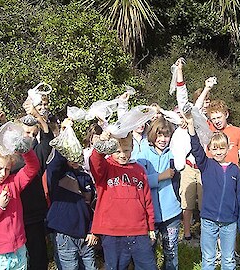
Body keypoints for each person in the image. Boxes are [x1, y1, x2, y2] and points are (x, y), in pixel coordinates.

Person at [185, 113, 240, 270]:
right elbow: (196, 149)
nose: (219, 152)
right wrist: (191, 127)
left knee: (228, 259)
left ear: (228, 149)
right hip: (208, 221)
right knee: (208, 258)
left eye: (222, 148)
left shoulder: (234, 170)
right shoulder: (206, 165)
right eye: (215, 148)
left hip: (229, 222)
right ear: (210, 150)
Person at [89, 131, 157, 270]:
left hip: (138, 230)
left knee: (148, 266)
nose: (122, 155)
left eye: (126, 150)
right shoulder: (106, 168)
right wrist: (101, 143)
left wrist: (150, 227)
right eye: (117, 151)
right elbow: (95, 161)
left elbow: (147, 200)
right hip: (113, 232)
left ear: (132, 148)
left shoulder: (139, 170)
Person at [170, 57, 216, 241]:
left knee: (205, 202)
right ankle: (187, 232)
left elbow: (194, 105)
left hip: (204, 166)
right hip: (188, 165)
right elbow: (181, 94)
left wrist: (207, 88)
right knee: (187, 202)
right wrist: (179, 70)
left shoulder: (201, 119)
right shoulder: (181, 122)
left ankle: (207, 232)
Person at [11, 100, 54, 270]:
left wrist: (39, 117)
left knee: (37, 257)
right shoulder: (7, 158)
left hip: (33, 215)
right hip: (13, 215)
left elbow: (47, 141)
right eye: (25, 132)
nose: (28, 136)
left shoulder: (36, 152)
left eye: (31, 133)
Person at [137, 117, 182, 270]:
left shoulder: (174, 154)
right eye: (159, 135)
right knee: (149, 253)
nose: (163, 139)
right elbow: (139, 182)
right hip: (150, 215)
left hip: (172, 212)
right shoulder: (143, 156)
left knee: (171, 252)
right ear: (153, 135)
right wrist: (160, 176)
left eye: (166, 135)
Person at [46, 142, 98, 270]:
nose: (74, 159)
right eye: (70, 156)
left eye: (77, 155)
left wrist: (93, 230)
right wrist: (65, 138)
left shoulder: (86, 178)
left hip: (86, 236)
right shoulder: (59, 175)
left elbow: (92, 207)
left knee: (91, 267)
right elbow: (54, 163)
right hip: (65, 236)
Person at [0, 138, 40, 270]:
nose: (3, 173)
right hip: (0, 254)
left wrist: (26, 150)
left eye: (7, 169)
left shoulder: (13, 183)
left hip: (19, 248)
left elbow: (33, 167)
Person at [206, 99, 240, 193]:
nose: (217, 121)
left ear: (226, 115)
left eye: (219, 117)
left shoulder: (238, 132)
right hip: (212, 177)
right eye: (213, 119)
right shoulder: (208, 132)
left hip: (232, 177)